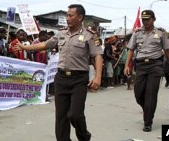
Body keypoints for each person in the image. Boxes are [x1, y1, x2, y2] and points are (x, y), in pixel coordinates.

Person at [13, 4, 103, 141]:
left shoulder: (89, 36)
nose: (67, 18)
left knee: (75, 115)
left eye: (70, 15)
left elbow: (97, 55)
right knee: (61, 117)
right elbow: (44, 45)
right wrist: (24, 47)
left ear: (80, 17)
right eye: (67, 15)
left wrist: (97, 77)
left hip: (79, 79)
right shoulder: (61, 33)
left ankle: (84, 136)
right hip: (61, 78)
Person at [124, 10, 169, 132]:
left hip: (155, 66)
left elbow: (168, 51)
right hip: (141, 66)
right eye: (143, 19)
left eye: (147, 19)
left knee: (150, 95)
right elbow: (131, 50)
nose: (145, 22)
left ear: (153, 19)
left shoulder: (160, 33)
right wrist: (127, 65)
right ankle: (148, 110)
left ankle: (147, 121)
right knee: (138, 94)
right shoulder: (137, 33)